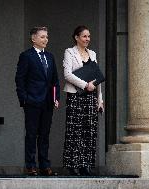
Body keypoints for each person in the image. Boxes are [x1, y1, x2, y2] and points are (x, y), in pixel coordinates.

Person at [15, 26, 60, 176]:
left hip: (48, 102)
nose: (45, 39)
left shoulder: (50, 57)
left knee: (45, 135)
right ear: (33, 38)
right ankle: (30, 165)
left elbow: (55, 80)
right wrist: (24, 99)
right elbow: (20, 79)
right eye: (42, 37)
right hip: (32, 101)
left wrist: (56, 98)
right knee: (31, 134)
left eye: (46, 37)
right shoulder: (26, 56)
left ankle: (44, 165)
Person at [62, 25, 104, 176]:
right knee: (75, 131)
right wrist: (85, 85)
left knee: (89, 131)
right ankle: (73, 164)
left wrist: (100, 99)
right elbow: (67, 74)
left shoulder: (92, 54)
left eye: (89, 36)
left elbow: (97, 77)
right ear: (76, 37)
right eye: (84, 36)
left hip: (91, 97)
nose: (87, 39)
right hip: (76, 96)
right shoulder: (69, 52)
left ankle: (86, 165)